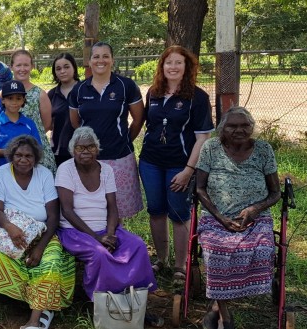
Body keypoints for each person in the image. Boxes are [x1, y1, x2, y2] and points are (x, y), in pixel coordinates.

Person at [195, 107, 280, 329]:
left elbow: (275, 193)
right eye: (233, 125)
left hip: (256, 218)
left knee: (262, 249)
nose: (239, 130)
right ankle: (224, 312)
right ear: (223, 129)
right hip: (216, 216)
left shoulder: (263, 150)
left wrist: (255, 209)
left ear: (252, 127)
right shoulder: (211, 147)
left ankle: (216, 303)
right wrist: (221, 217)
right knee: (215, 251)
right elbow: (200, 189)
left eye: (245, 125)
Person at [138, 46, 214, 281]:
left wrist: (188, 171)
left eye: (178, 62)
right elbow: (148, 125)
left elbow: (203, 138)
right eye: (168, 62)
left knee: (179, 213)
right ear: (161, 66)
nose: (172, 66)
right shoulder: (153, 92)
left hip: (179, 165)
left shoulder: (198, 97)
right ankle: (161, 259)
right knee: (156, 210)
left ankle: (181, 265)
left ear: (186, 67)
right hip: (150, 161)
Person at [55, 127, 156, 300]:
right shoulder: (65, 169)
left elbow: (112, 207)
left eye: (90, 147)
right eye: (80, 148)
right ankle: (102, 300)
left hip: (106, 229)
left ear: (97, 149)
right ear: (73, 151)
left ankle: (135, 297)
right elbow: (67, 211)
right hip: (75, 231)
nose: (86, 151)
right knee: (100, 254)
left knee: (138, 245)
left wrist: (109, 234)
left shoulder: (106, 169)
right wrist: (97, 238)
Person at [0, 135, 74, 329]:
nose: (23, 160)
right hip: (12, 234)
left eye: (29, 156)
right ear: (11, 155)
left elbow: (52, 216)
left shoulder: (44, 174)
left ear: (36, 158)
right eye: (18, 155)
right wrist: (10, 228)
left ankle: (34, 321)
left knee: (50, 264)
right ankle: (45, 304)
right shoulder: (1, 173)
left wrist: (40, 248)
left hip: (43, 234)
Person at [68, 42, 145, 219]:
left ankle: (119, 245)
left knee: (118, 211)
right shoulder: (79, 89)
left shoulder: (126, 86)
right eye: (96, 56)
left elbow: (139, 119)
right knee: (92, 210)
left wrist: (124, 140)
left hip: (120, 157)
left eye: (105, 56)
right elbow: (75, 123)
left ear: (112, 60)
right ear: (89, 61)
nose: (100, 60)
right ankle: (96, 246)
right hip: (88, 159)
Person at [3, 50, 57, 173]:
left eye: (26, 65)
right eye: (18, 65)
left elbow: (47, 124)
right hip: (12, 148)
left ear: (32, 66)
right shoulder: (3, 94)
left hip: (36, 147)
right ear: (12, 67)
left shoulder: (40, 94)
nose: (22, 69)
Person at [0, 80, 42, 169]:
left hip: (25, 171)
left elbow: (37, 148)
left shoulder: (29, 123)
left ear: (23, 100)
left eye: (18, 98)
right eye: (10, 98)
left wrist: (21, 155)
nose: (14, 102)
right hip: (2, 171)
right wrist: (12, 153)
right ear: (3, 100)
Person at [47, 53, 81, 165]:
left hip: (83, 149)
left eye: (66, 67)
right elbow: (48, 124)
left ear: (74, 68)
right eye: (58, 68)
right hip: (59, 151)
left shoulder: (85, 90)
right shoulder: (52, 95)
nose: (62, 71)